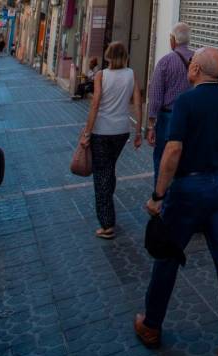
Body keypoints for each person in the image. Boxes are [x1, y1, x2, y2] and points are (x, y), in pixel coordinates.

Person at [134, 47, 218, 356]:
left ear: (196, 69)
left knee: (168, 256)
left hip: (189, 190)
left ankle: (152, 325)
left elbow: (172, 150)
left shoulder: (185, 102)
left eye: (190, 65)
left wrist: (158, 195)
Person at [80, 42, 143, 239]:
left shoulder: (102, 75)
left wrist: (87, 132)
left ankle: (107, 224)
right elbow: (138, 102)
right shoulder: (131, 74)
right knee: (108, 168)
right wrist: (138, 131)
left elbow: (96, 103)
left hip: (102, 130)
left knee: (101, 174)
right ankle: (108, 200)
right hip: (121, 131)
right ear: (125, 56)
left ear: (108, 56)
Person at [146, 23, 194, 183]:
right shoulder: (198, 60)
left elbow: (155, 94)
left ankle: (160, 198)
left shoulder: (165, 61)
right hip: (191, 117)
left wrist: (151, 124)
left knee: (162, 159)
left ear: (173, 40)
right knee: (186, 157)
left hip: (168, 118)